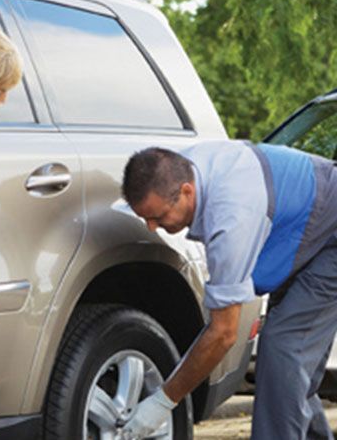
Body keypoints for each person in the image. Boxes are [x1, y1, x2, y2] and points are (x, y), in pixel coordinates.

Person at [121, 140, 337, 440]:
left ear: (187, 192)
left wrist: (163, 401)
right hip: (305, 221)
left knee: (284, 347)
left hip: (331, 230)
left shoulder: (231, 219)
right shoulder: (175, 169)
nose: (152, 228)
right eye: (144, 218)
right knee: (287, 367)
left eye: (158, 217)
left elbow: (223, 333)